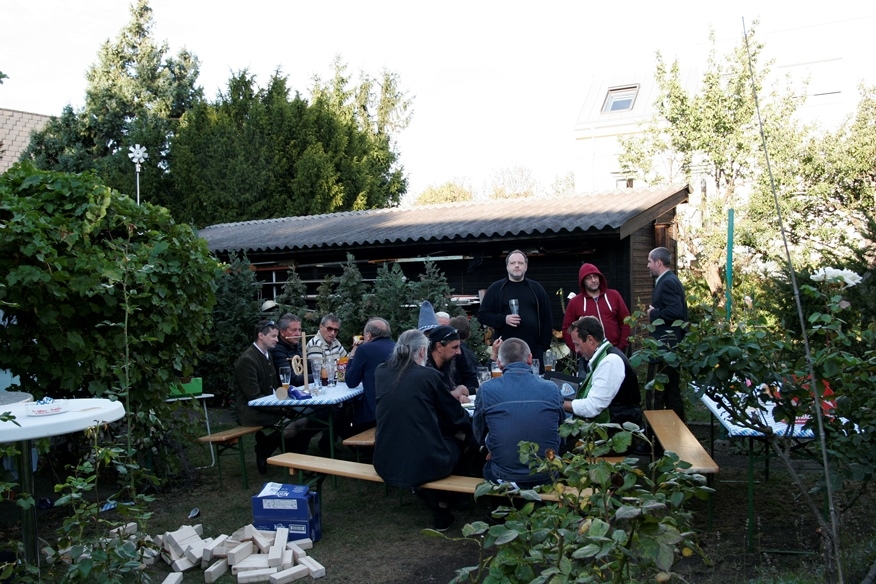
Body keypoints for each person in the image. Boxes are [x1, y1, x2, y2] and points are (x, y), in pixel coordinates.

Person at [373, 329, 478, 531]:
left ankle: (442, 500)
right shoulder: (428, 376)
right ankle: (444, 505)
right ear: (423, 351)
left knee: (443, 436)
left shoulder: (381, 372)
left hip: (385, 460)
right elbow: (456, 416)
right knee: (463, 439)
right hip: (426, 465)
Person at [472, 338, 565, 488]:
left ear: (499, 363)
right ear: (530, 359)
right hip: (546, 476)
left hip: (504, 476)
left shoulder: (487, 390)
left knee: (484, 465)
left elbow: (479, 432)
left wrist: (490, 447)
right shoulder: (552, 388)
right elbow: (561, 432)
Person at [234, 319, 310, 474]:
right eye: (273, 336)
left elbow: (274, 388)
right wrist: (281, 409)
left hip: (267, 405)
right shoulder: (248, 359)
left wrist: (288, 400)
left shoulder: (267, 355)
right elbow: (254, 398)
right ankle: (266, 448)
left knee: (303, 418)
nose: (277, 339)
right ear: (261, 336)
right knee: (291, 424)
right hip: (252, 411)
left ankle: (293, 459)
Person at [478, 250, 553, 371]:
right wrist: (504, 319)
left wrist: (543, 347)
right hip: (505, 352)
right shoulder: (496, 289)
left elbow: (547, 319)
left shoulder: (536, 289)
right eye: (513, 263)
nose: (517, 265)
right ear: (507, 267)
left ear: (526, 267)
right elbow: (482, 315)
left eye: (520, 263)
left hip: (533, 352)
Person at [563, 317, 642, 428]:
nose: (576, 350)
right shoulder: (605, 356)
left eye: (577, 344)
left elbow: (591, 408)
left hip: (620, 429)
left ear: (590, 340)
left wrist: (559, 404)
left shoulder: (610, 362)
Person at [646, 246, 690, 421]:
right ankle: (678, 432)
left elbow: (676, 311)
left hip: (664, 346)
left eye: (649, 262)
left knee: (654, 393)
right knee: (672, 393)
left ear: (658, 262)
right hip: (672, 346)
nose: (647, 266)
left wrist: (653, 313)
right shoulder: (670, 280)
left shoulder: (667, 282)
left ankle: (652, 434)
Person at [562, 264, 631, 354]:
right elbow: (567, 330)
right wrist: (580, 351)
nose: (593, 280)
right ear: (583, 281)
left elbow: (626, 321)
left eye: (595, 276)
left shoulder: (614, 296)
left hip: (614, 349)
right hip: (589, 354)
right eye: (589, 278)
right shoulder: (575, 302)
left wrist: (621, 346)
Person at [344, 317, 395, 437]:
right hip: (394, 410)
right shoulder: (397, 347)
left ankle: (358, 449)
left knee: (342, 417)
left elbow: (351, 382)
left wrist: (352, 355)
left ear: (368, 335)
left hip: (374, 413)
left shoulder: (364, 350)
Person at [425, 325, 471, 404]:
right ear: (439, 347)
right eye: (455, 347)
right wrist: (457, 392)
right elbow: (430, 400)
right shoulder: (425, 371)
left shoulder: (447, 365)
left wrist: (459, 396)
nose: (459, 352)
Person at [269, 313, 306, 386]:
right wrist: (318, 376)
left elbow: (309, 367)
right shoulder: (276, 349)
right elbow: (291, 379)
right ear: (282, 332)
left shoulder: (298, 346)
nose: (298, 334)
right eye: (294, 330)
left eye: (299, 330)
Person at [450, 315, 482, 390]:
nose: (458, 351)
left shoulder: (462, 352)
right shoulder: (466, 353)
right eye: (454, 347)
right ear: (469, 333)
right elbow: (481, 372)